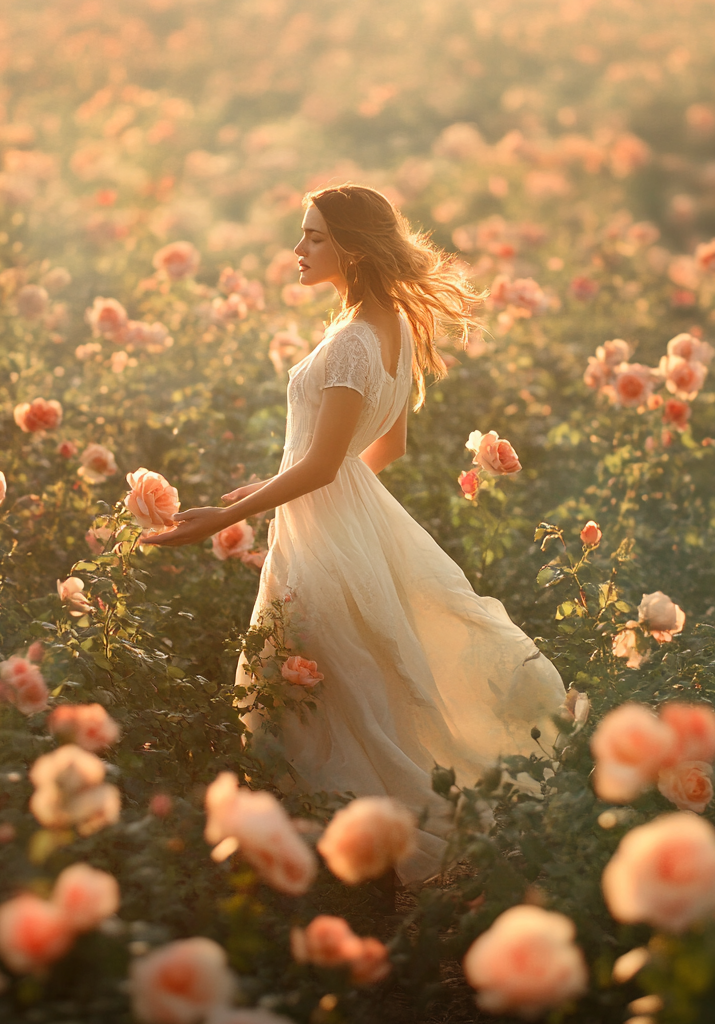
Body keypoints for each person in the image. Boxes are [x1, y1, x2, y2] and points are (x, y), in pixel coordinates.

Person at [143, 184, 565, 883]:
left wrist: (224, 516)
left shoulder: (353, 344)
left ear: (353, 248)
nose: (298, 250)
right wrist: (287, 488)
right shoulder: (393, 327)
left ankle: (355, 863)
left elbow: (322, 463)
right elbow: (382, 449)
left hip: (330, 537)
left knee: (320, 694)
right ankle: (367, 854)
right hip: (347, 523)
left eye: (312, 236)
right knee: (356, 687)